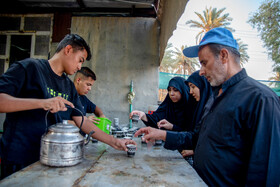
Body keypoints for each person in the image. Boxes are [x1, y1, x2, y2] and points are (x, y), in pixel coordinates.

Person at [134, 27, 280, 186]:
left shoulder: (261, 99)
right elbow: (197, 138)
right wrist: (160, 134)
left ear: (224, 56)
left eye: (204, 63)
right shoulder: (215, 97)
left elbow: (264, 173)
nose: (201, 72)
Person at [0, 34, 136, 179]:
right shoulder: (30, 68)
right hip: (20, 158)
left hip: (53, 160)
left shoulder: (68, 86)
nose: (79, 67)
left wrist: (115, 141)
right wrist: (42, 103)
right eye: (80, 60)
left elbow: (82, 121)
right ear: (68, 49)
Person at [130, 76, 196, 132]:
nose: (171, 93)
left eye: (175, 90)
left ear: (183, 90)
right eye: (169, 90)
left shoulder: (192, 108)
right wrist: (143, 115)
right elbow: (156, 119)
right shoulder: (168, 105)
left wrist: (172, 127)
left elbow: (192, 133)